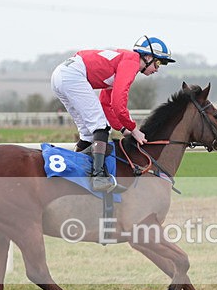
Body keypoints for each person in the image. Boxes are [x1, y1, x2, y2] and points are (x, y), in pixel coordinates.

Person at [51, 35, 175, 192]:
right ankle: (98, 178)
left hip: (61, 76)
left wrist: (123, 129)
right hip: (72, 76)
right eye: (158, 63)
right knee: (100, 127)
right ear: (148, 56)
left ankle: (76, 173)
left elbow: (106, 103)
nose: (157, 69)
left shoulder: (123, 62)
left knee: (88, 134)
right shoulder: (131, 63)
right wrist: (134, 129)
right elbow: (118, 104)